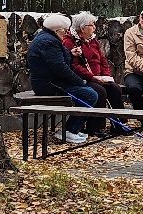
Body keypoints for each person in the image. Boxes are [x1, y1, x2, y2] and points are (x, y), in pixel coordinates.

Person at [28, 13, 100, 144]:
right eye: (64, 30)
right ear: (57, 30)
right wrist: (80, 82)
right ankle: (69, 130)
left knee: (90, 92)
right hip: (50, 85)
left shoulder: (47, 38)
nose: (66, 32)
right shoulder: (49, 42)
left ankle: (72, 129)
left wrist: (71, 54)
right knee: (90, 95)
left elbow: (58, 60)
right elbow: (60, 68)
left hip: (51, 82)